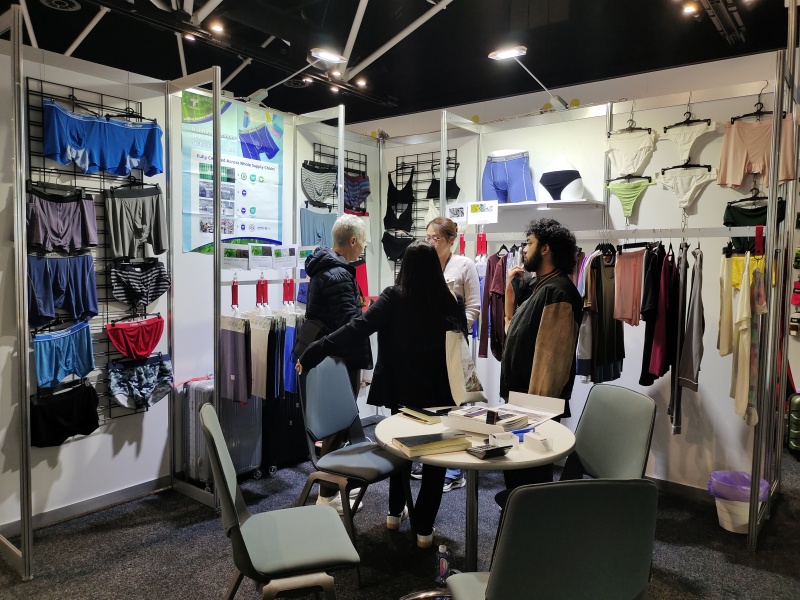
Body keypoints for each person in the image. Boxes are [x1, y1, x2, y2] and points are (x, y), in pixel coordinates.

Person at [297, 241, 467, 548]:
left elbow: (357, 327)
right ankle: (424, 530)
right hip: (441, 394)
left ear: (405, 267)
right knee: (435, 461)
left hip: (401, 391)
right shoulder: (450, 300)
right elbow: (460, 343)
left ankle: (394, 513)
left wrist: (316, 349)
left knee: (399, 451)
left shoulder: (394, 297)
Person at [498, 218, 583, 504]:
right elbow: (513, 330)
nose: (524, 249)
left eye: (529, 243)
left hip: (534, 404)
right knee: (517, 473)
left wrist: (535, 413)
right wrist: (511, 290)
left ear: (545, 249)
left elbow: (552, 358)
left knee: (529, 478)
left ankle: (529, 523)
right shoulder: (540, 287)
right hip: (522, 401)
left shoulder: (558, 292)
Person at [304, 214, 372, 514]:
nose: (364, 248)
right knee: (338, 425)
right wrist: (372, 315)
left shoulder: (325, 270)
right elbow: (350, 325)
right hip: (341, 359)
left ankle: (334, 485)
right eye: (363, 242)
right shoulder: (340, 275)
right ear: (353, 241)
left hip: (330, 358)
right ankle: (328, 495)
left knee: (339, 424)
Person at [414, 216, 480, 492]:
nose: (431, 242)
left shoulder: (464, 265)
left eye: (437, 238)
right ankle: (431, 459)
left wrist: (453, 328)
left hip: (453, 344)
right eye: (428, 237)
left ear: (451, 240)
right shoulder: (423, 266)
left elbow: (473, 308)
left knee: (455, 404)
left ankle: (454, 471)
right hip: (426, 347)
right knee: (430, 406)